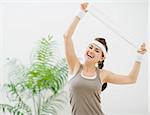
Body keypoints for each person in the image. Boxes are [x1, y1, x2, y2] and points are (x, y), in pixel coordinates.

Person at [63, 2, 147, 115]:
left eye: (97, 50)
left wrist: (139, 56)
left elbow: (131, 79)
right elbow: (67, 37)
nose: (92, 51)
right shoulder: (75, 67)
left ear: (101, 58)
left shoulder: (103, 74)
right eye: (90, 47)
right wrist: (80, 13)